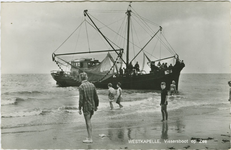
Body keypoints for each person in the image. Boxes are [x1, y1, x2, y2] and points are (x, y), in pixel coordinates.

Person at [78, 72, 99, 143]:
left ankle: (90, 138)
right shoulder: (92, 85)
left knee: (88, 122)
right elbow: (96, 97)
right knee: (89, 121)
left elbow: (81, 99)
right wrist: (96, 105)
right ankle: (89, 137)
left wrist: (79, 108)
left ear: (81, 78)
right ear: (86, 77)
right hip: (92, 106)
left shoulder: (81, 86)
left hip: (86, 106)